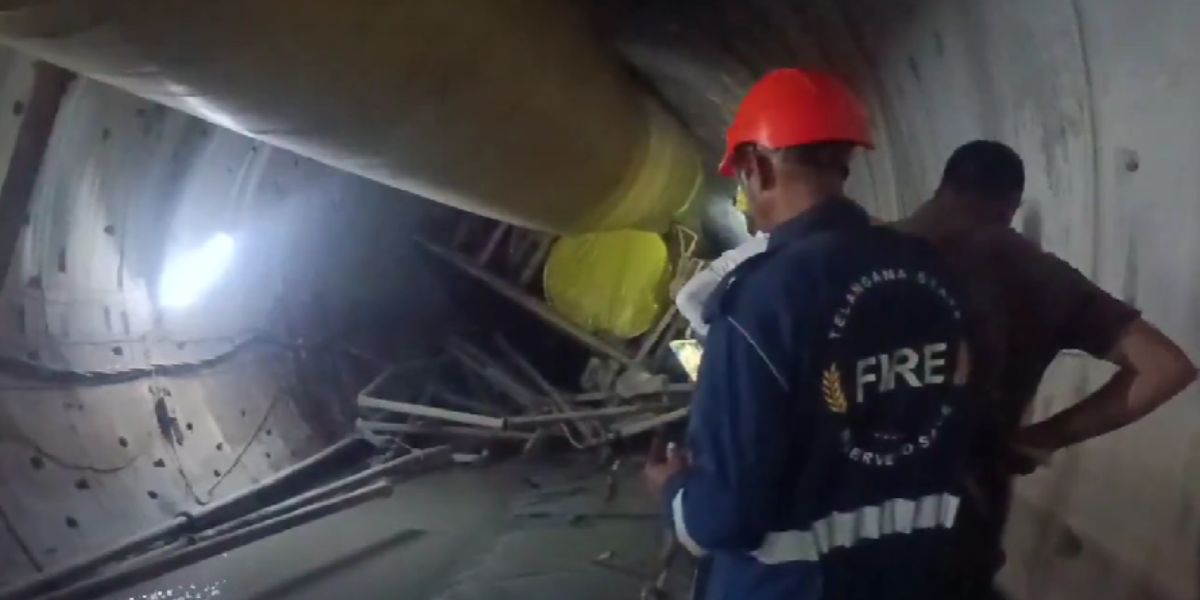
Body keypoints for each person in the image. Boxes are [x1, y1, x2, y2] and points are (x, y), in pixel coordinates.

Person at [644, 68, 979, 599]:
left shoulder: (760, 301)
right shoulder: (934, 273)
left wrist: (674, 490)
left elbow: (723, 519)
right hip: (919, 578)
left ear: (756, 167)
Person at [898, 140, 1198, 593]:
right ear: (1010, 206)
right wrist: (1043, 437)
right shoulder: (1034, 272)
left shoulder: (857, 253)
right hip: (960, 538)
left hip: (843, 534)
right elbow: (1165, 368)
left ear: (943, 185)